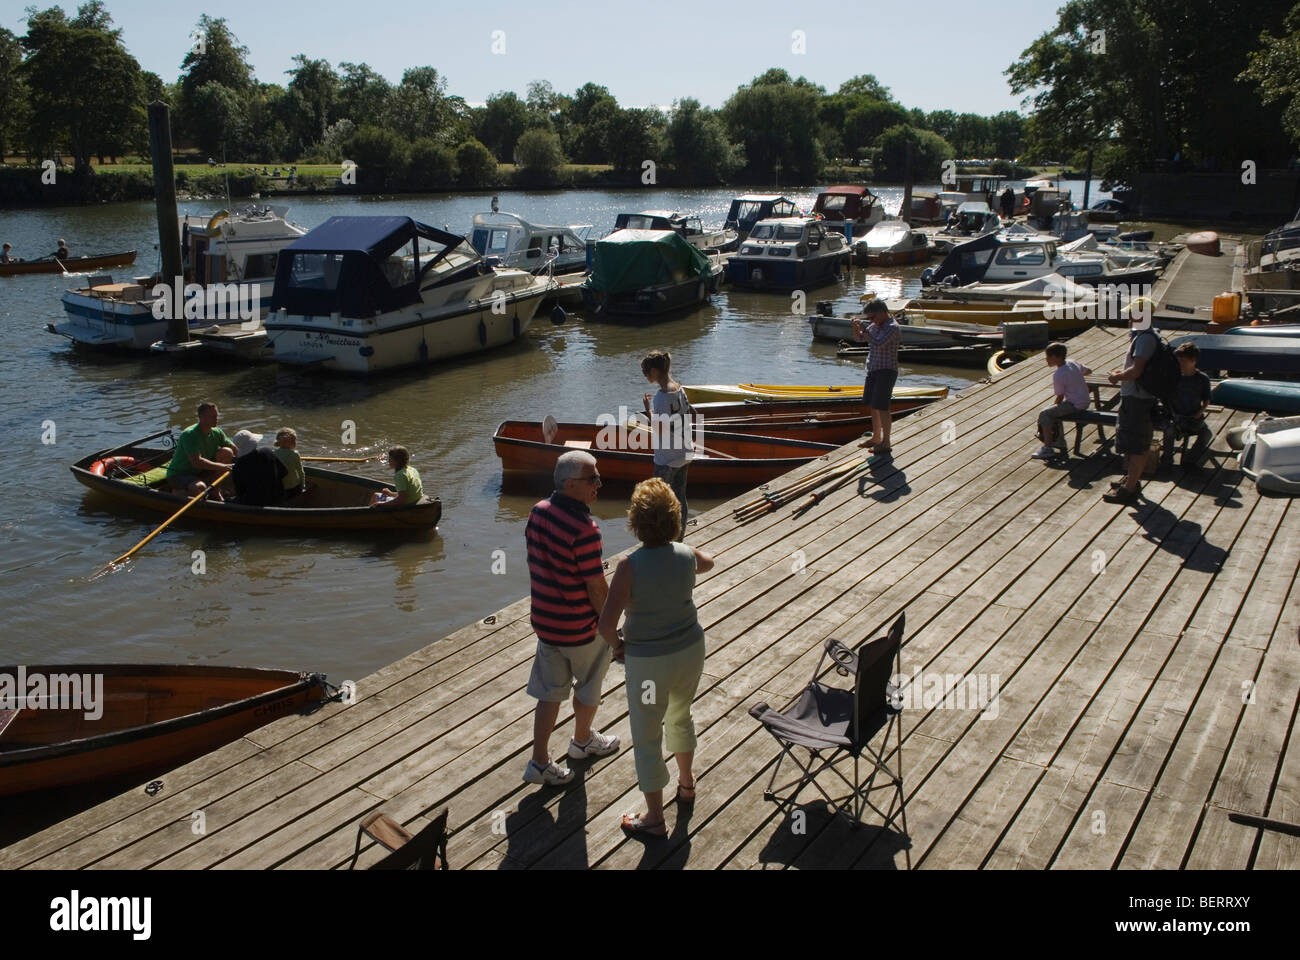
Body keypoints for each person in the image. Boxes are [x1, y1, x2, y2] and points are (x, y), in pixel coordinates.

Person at [599, 477, 714, 838]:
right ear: (674, 518)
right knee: (681, 716)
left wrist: (618, 645)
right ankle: (687, 784)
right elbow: (708, 562)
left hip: (649, 664)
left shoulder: (629, 566)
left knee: (647, 735)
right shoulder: (685, 554)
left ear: (636, 522)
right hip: (690, 651)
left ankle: (653, 818)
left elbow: (605, 625)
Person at [522, 450, 620, 786]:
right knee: (589, 687)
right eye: (592, 478)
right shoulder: (585, 528)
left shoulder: (537, 513)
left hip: (546, 624)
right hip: (580, 629)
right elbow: (596, 589)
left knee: (549, 693)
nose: (599, 484)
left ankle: (539, 762)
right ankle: (581, 743)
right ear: (570, 484)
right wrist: (610, 629)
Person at [1105, 300, 1159, 503]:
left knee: (1137, 444)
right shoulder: (1144, 336)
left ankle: (1129, 488)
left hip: (1138, 399)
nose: (1130, 318)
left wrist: (1116, 377)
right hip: (1136, 396)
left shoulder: (1145, 339)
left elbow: (1137, 371)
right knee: (1132, 442)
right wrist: (1121, 373)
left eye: (1133, 314)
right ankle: (1131, 479)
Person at [641, 349, 692, 540]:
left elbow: (659, 428)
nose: (646, 376)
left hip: (667, 458)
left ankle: (659, 540)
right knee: (680, 498)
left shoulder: (661, 396)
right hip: (685, 453)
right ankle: (679, 537)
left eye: (646, 373)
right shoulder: (680, 388)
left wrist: (648, 411)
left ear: (654, 371)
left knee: (658, 501)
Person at [852, 298, 900, 455]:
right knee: (873, 405)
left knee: (882, 407)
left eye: (872, 317)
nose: (871, 321)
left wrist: (864, 330)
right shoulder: (875, 325)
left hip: (886, 371)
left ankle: (886, 442)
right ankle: (876, 437)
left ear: (882, 312)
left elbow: (879, 343)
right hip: (873, 369)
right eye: (869, 319)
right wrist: (856, 327)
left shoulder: (892, 327)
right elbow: (859, 339)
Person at [165, 401, 237, 499]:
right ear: (202, 417)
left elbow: (234, 449)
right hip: (179, 474)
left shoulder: (217, 432)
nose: (216, 419)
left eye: (217, 415)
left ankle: (215, 490)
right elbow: (197, 462)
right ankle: (179, 491)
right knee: (200, 488)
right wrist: (223, 466)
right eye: (212, 416)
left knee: (227, 452)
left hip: (201, 471)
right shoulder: (190, 435)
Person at [1032, 342, 1092, 459]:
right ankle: (1059, 441)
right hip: (1085, 400)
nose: (1046, 359)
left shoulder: (1059, 374)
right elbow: (1088, 371)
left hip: (1075, 404)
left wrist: (1052, 408)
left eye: (1048, 356)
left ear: (1056, 357)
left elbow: (1060, 396)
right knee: (1053, 411)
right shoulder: (1072, 362)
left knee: (1045, 414)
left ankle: (1048, 448)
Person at [1166, 342, 1213, 470]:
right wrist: (1172, 412)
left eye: (1183, 360)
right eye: (1179, 360)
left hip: (1193, 417)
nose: (1180, 363)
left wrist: (1200, 412)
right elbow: (1167, 397)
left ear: (1193, 361)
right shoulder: (1174, 377)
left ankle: (1190, 460)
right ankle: (1167, 460)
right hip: (1176, 416)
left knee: (1206, 434)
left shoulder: (1202, 379)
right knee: (1169, 431)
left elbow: (1207, 399)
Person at [230, 430, 286, 506]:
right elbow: (284, 472)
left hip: (254, 503)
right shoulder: (267, 451)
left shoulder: (237, 467)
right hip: (278, 497)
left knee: (229, 500)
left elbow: (240, 492)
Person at [273, 428, 305, 498]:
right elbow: (301, 472)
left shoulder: (273, 454)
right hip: (293, 487)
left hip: (280, 487)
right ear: (293, 443)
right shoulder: (295, 454)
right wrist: (302, 486)